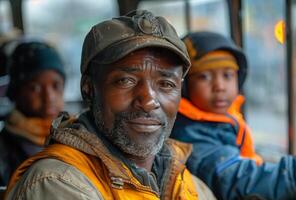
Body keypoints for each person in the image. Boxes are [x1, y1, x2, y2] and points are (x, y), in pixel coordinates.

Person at [5, 10, 216, 200]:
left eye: (166, 84)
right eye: (125, 81)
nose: (149, 101)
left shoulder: (181, 179)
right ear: (88, 89)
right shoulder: (58, 183)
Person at [170, 31, 296, 200]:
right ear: (184, 86)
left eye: (227, 75)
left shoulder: (217, 122)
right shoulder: (189, 135)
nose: (220, 86)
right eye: (204, 77)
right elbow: (235, 178)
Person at [0, 41, 65, 186]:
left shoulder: (78, 134)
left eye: (56, 85)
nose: (49, 97)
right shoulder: (4, 151)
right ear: (16, 92)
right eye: (34, 88)